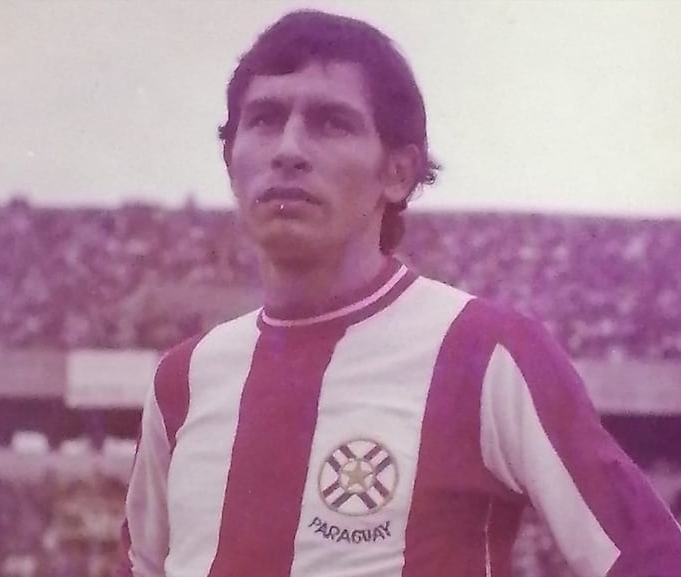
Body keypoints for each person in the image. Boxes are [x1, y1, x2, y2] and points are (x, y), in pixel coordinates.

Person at [121, 9, 681, 577]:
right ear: (231, 161)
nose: (288, 148)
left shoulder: (484, 351)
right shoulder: (182, 379)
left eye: (330, 123)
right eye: (264, 119)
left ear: (397, 172)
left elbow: (650, 558)